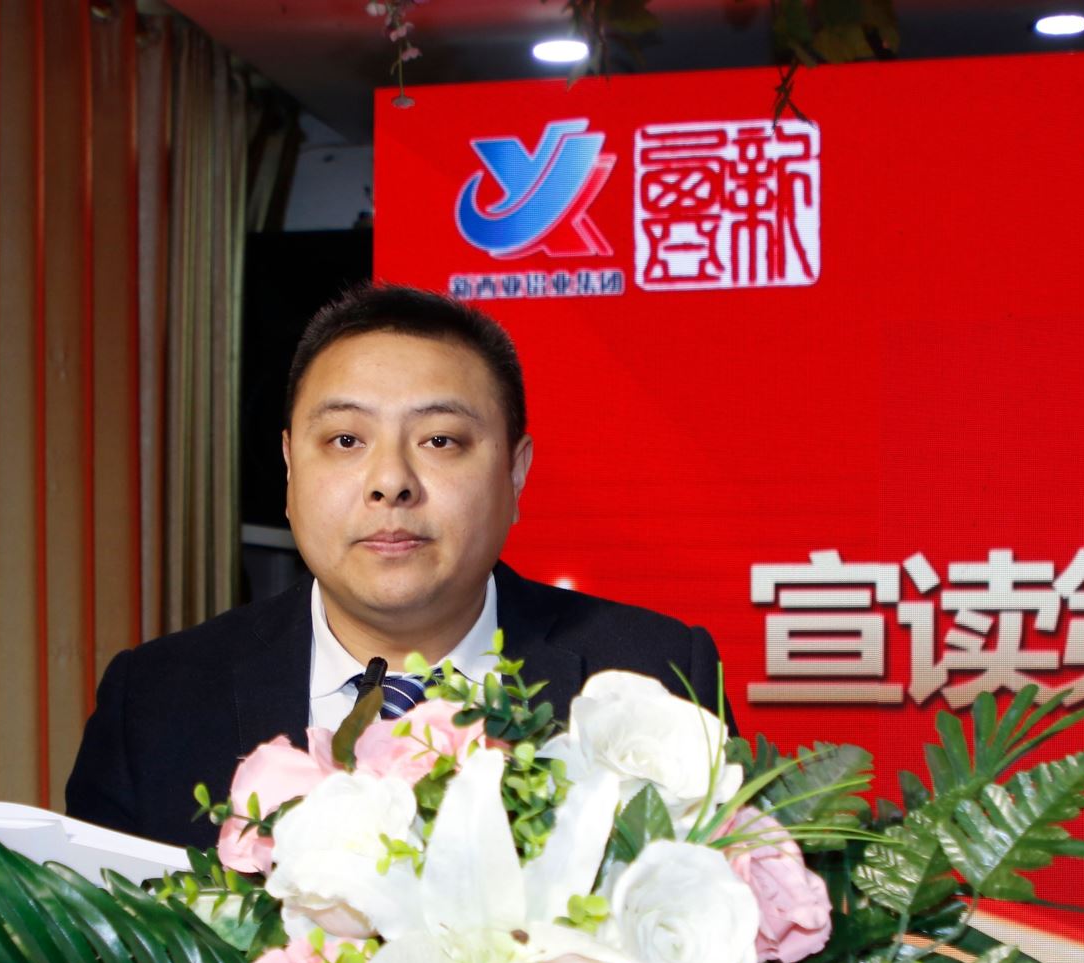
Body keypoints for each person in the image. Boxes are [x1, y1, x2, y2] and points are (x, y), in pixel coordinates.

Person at [65, 284, 725, 847]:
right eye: (345, 439)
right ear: (291, 466)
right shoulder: (156, 703)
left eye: (440, 440)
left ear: (514, 472)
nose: (390, 482)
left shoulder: (657, 675)